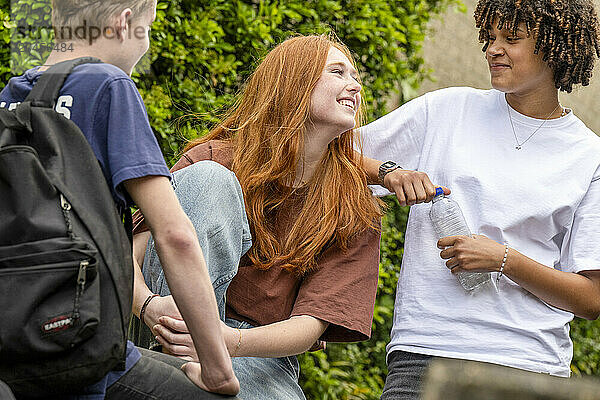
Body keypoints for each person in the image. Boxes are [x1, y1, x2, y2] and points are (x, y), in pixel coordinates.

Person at [360, 0, 600, 398]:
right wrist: (388, 172)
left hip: (529, 366)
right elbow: (331, 154)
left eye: (512, 38)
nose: (492, 48)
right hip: (425, 352)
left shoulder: (589, 156)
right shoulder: (447, 110)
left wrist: (504, 259)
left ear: (555, 46)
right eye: (490, 36)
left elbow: (591, 298)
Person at [0, 0, 240, 398]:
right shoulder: (108, 86)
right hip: (82, 347)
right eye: (149, 28)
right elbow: (175, 235)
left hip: (15, 345)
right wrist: (217, 369)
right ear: (124, 22)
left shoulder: (11, 97)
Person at [130, 34, 384, 400]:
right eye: (338, 72)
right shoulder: (213, 158)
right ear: (294, 82)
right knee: (209, 180)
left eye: (355, 76)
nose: (354, 85)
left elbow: (309, 325)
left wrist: (230, 341)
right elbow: (128, 258)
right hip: (165, 329)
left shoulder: (354, 207)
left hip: (256, 353)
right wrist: (149, 307)